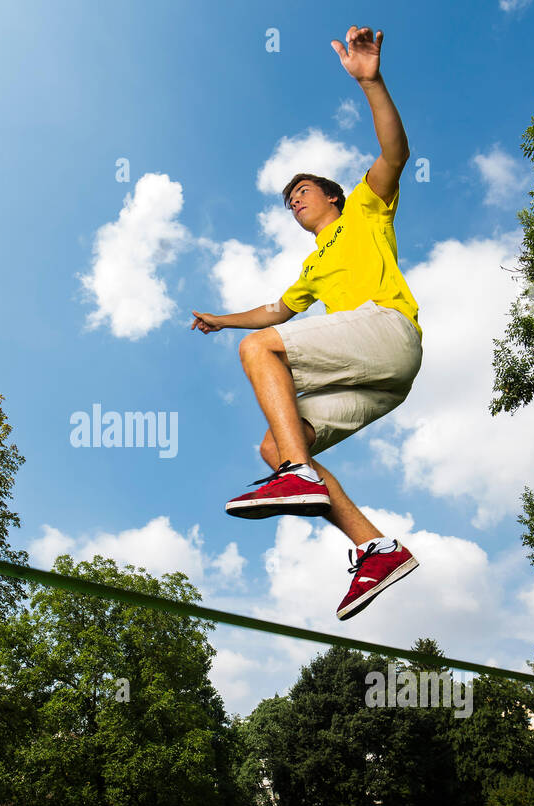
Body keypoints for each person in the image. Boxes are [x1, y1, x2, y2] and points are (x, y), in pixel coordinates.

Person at [191, 25, 422, 621]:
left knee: (260, 352)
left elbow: (395, 153)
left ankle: (299, 475)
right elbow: (276, 312)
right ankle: (376, 548)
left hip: (389, 331)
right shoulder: (312, 265)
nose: (294, 200)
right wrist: (220, 319)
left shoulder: (367, 209)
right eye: (288, 199)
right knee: (275, 443)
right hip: (381, 380)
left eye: (303, 191)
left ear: (333, 196)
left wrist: (371, 82)